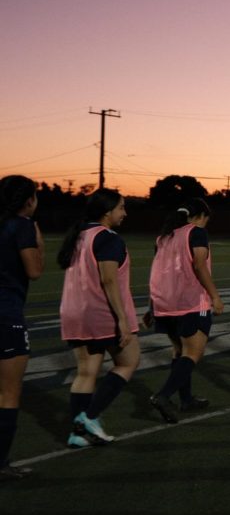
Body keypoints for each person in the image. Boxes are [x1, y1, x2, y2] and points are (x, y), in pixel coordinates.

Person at [57, 188, 139, 447]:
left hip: (73, 311)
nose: (124, 213)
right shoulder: (108, 238)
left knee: (86, 372)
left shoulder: (79, 236)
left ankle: (77, 434)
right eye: (121, 208)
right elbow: (108, 279)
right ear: (107, 212)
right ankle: (90, 417)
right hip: (99, 313)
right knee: (129, 361)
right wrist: (123, 320)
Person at [147, 198, 224, 423]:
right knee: (193, 353)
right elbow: (199, 266)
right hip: (190, 301)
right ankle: (163, 396)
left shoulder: (163, 236)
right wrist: (215, 296)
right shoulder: (196, 232)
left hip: (165, 302)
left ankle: (186, 399)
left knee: (179, 350)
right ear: (200, 215)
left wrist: (152, 306)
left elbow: (157, 271)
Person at [0, 176, 43, 478]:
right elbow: (35, 270)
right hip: (6, 315)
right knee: (8, 394)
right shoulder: (21, 226)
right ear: (28, 200)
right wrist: (35, 236)